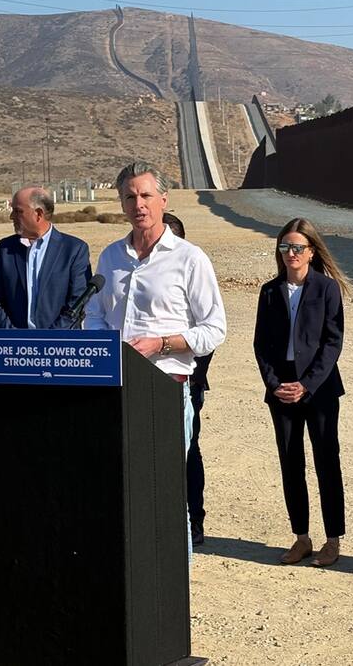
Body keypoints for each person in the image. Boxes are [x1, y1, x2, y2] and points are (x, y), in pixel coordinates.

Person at [84, 161, 227, 557]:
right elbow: (95, 313)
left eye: (146, 195)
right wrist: (104, 345)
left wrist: (161, 344)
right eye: (130, 197)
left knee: (164, 494)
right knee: (119, 490)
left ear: (164, 199)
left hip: (165, 391)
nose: (139, 204)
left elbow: (214, 329)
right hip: (114, 390)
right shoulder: (111, 257)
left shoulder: (189, 259)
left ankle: (174, 583)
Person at [253, 218, 350, 567]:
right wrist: (275, 383)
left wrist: (306, 384)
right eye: (285, 247)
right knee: (290, 462)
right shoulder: (269, 291)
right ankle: (301, 538)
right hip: (281, 389)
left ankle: (332, 540)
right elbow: (261, 344)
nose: (291, 253)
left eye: (297, 247)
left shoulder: (326, 289)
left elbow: (332, 342)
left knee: (326, 460)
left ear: (311, 251)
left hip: (319, 388)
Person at [162, 212, 215, 547]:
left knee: (188, 451)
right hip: (145, 381)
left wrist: (195, 376)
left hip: (187, 383)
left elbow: (209, 333)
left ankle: (194, 521)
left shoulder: (194, 268)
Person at [0, 186, 91, 329]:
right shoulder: (5, 249)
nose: (11, 216)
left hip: (61, 341)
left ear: (38, 214)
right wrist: (13, 335)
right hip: (15, 341)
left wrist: (48, 339)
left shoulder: (74, 250)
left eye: (18, 211)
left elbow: (78, 302)